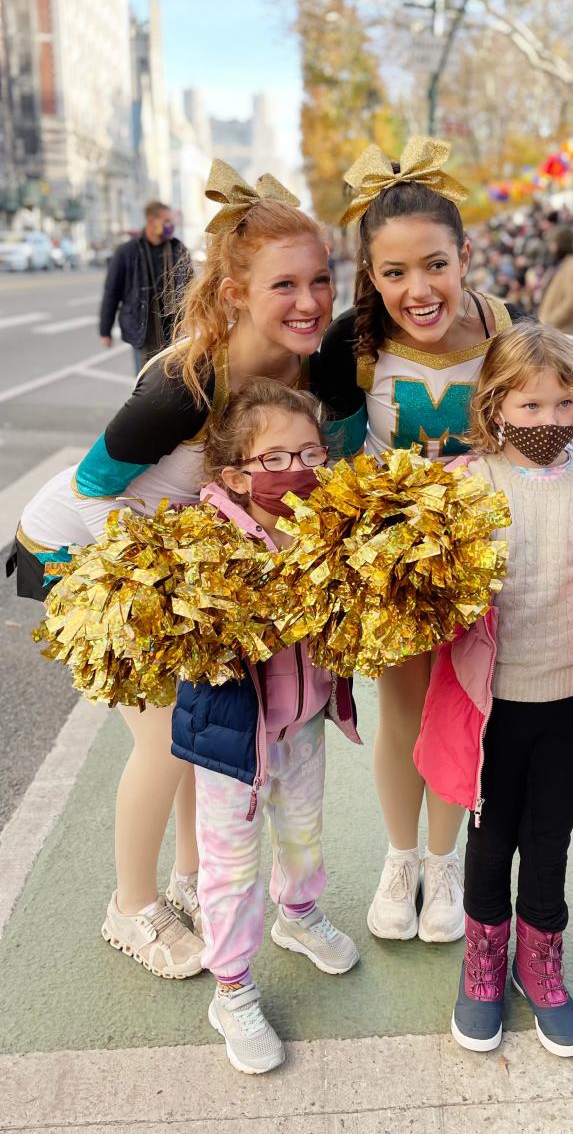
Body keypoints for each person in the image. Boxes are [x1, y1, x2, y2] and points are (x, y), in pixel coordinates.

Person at [9, 160, 334, 980]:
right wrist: (168, 584)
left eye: (321, 280)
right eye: (284, 285)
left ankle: (191, 883)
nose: (309, 301)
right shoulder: (187, 380)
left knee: (196, 733)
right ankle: (130, 907)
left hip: (174, 559)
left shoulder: (305, 370)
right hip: (83, 547)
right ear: (233, 293)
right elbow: (91, 489)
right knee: (162, 742)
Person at [413, 323, 573, 1057]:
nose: (547, 422)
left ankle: (539, 962)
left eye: (562, 406)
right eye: (529, 407)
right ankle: (484, 962)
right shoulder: (461, 487)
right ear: (494, 407)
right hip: (491, 705)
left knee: (549, 836)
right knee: (491, 840)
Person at [316, 137, 527, 946]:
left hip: (486, 558)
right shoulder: (351, 345)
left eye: (435, 265)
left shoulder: (507, 330)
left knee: (462, 709)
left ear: (466, 255)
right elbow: (329, 461)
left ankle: (446, 864)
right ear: (370, 275)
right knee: (402, 711)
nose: (418, 289)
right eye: (394, 273)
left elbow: (540, 432)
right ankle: (399, 858)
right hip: (393, 563)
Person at [172, 379, 360, 1075]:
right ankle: (232, 988)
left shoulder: (330, 523)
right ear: (232, 475)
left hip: (305, 721)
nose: (297, 469)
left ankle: (300, 914)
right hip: (230, 739)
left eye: (310, 452)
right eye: (275, 459)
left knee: (305, 830)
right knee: (229, 866)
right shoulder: (205, 539)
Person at [100, 200, 193, 372]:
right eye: (166, 221)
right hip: (142, 330)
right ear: (151, 221)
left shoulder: (178, 249)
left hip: (173, 331)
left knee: (174, 382)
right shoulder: (127, 252)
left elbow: (191, 290)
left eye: (171, 222)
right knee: (144, 381)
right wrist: (105, 331)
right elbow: (111, 292)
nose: (170, 226)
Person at [537, 227, 573, 333]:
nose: (551, 248)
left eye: (553, 243)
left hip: (562, 332)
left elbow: (572, 301)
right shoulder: (562, 265)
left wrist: (550, 321)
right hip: (553, 331)